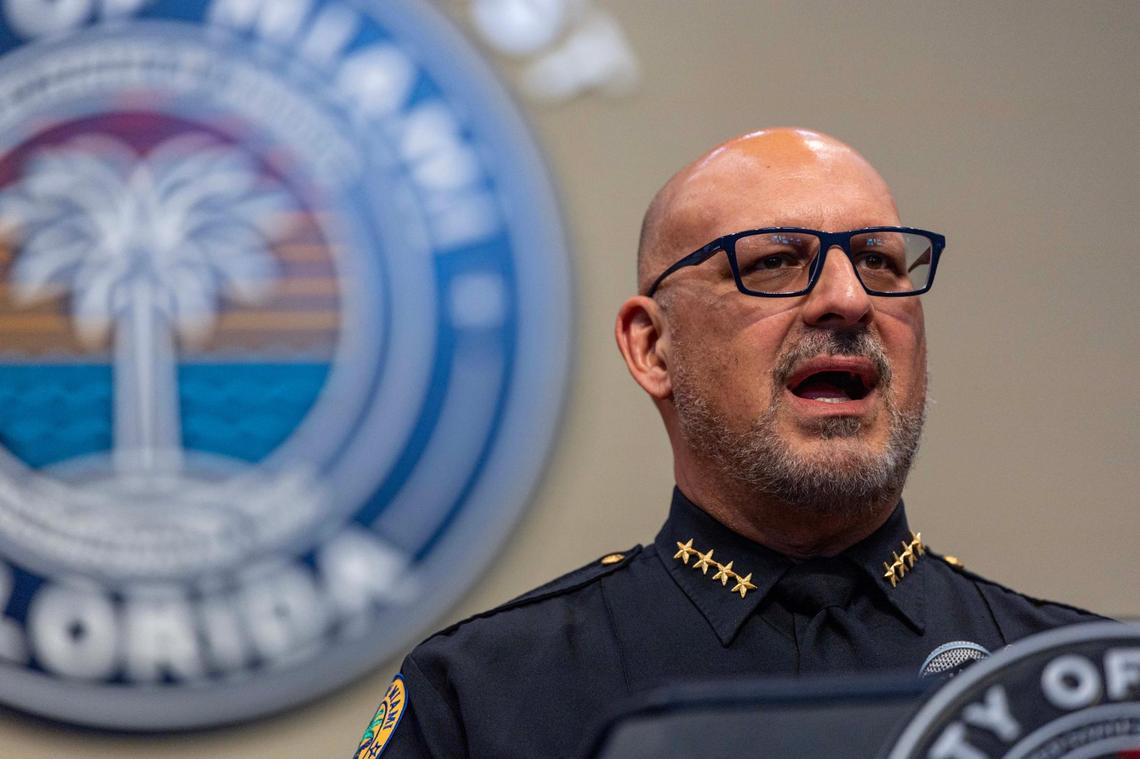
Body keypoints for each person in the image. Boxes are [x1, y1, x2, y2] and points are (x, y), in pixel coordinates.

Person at [353, 128, 1101, 759]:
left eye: (879, 260)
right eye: (774, 261)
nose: (848, 298)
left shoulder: (1084, 692)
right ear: (654, 347)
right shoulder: (480, 696)